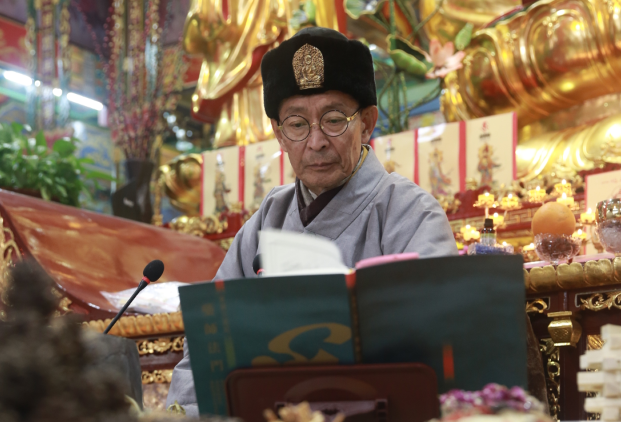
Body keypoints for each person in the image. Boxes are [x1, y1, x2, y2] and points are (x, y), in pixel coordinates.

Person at [167, 26, 458, 415]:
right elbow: (209, 341)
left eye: (334, 120)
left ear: (367, 123)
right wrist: (182, 412)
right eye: (298, 125)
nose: (316, 141)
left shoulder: (410, 214)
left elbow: (437, 344)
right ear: (279, 135)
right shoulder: (267, 220)